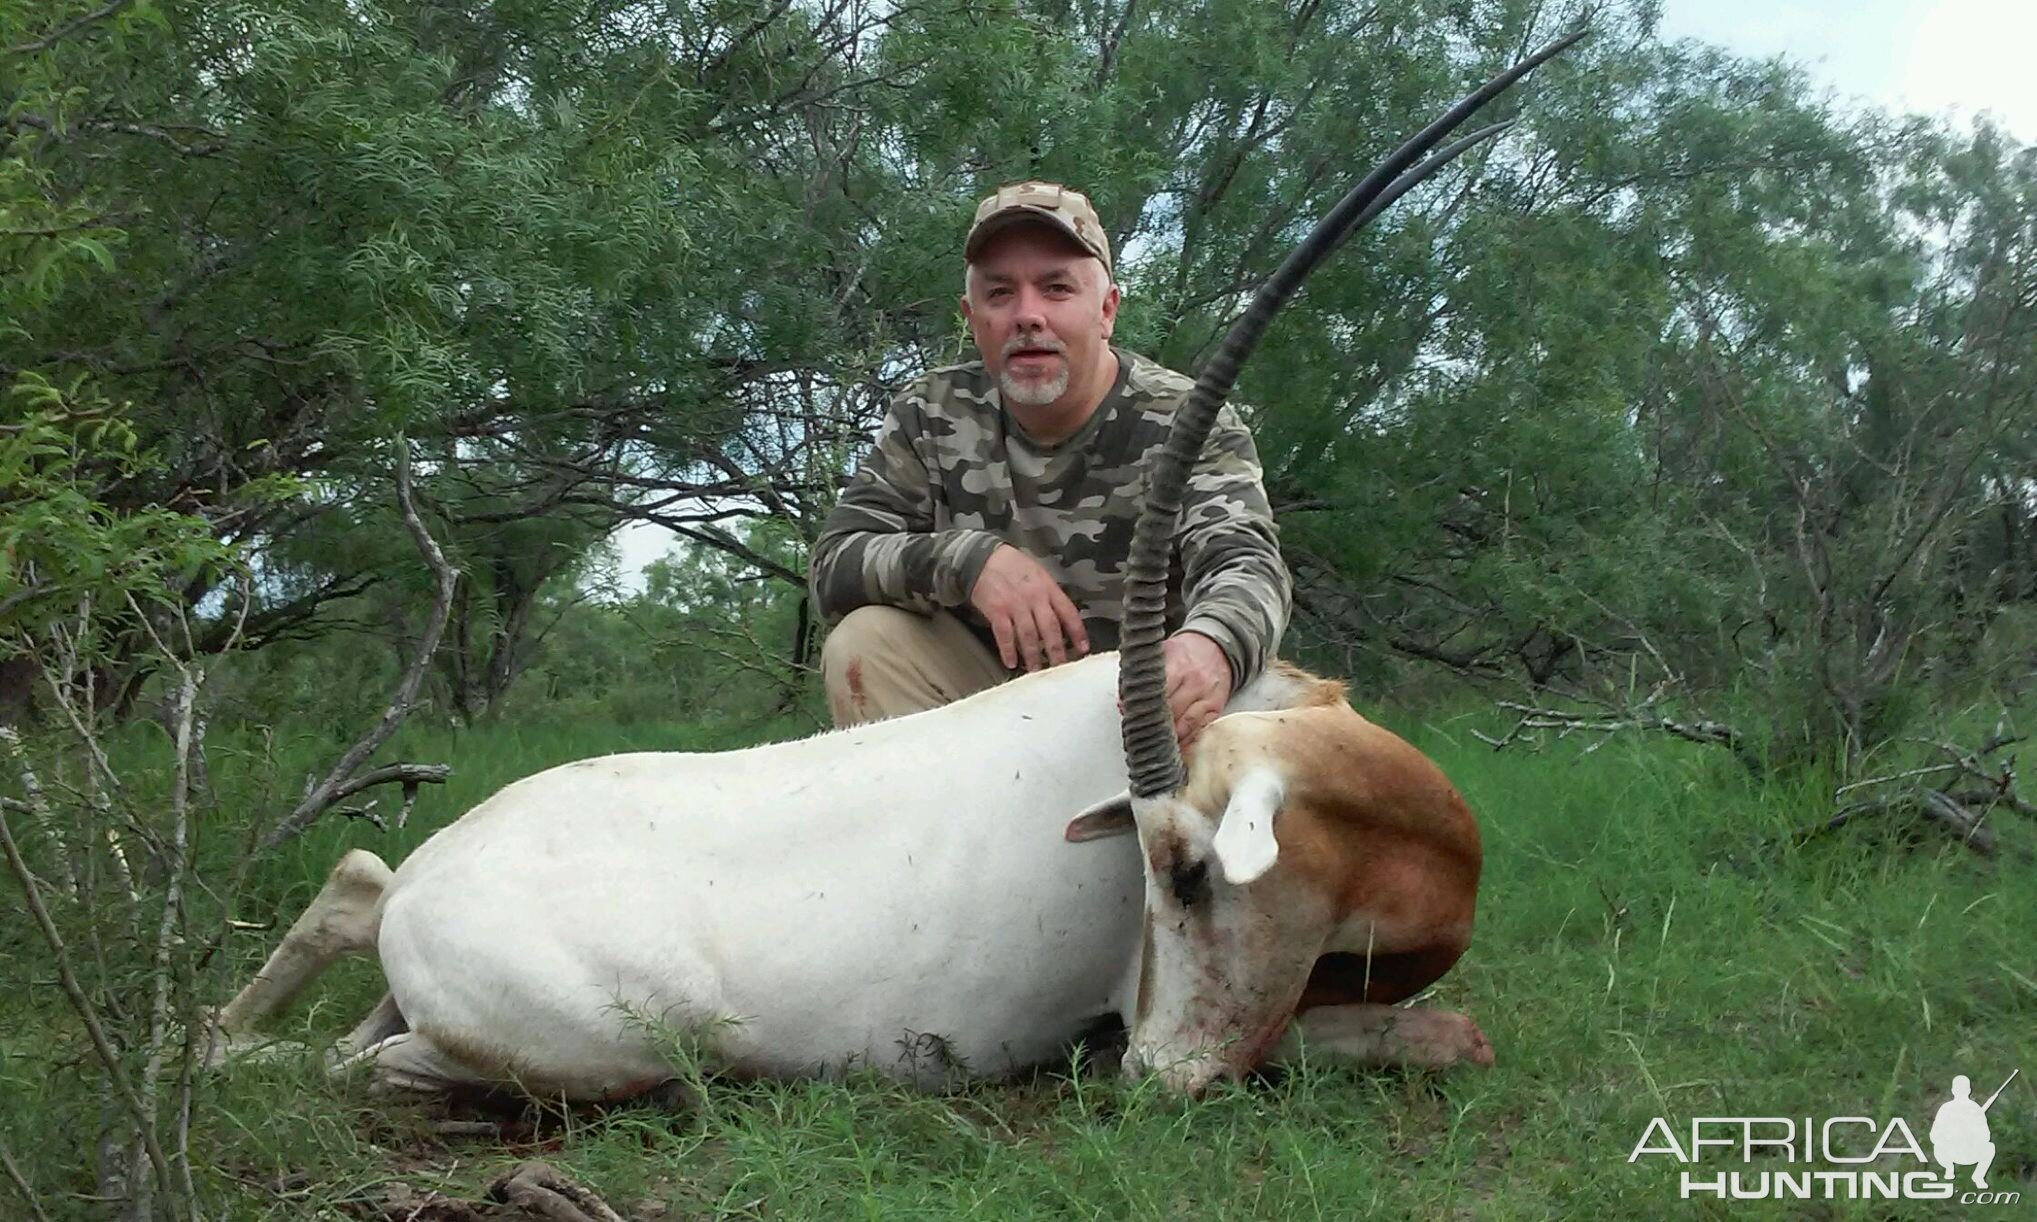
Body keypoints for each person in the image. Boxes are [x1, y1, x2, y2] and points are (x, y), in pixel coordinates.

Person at [808, 180, 1291, 747]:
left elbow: (1248, 563)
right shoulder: (928, 412)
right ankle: (940, 835)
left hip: (1148, 706)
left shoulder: (1191, 419)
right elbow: (833, 566)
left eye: (1057, 288)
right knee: (864, 644)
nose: (1027, 316)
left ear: (1107, 309)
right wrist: (969, 561)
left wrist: (1211, 646)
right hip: (985, 706)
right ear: (971, 315)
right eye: (1000, 294)